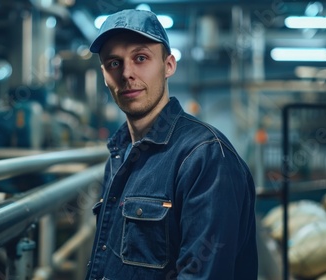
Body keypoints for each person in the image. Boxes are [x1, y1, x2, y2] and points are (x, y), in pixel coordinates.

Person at [86, 9, 258, 279]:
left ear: (169, 65)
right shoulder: (120, 153)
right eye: (114, 63)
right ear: (104, 74)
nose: (127, 73)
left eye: (140, 58)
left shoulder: (205, 156)